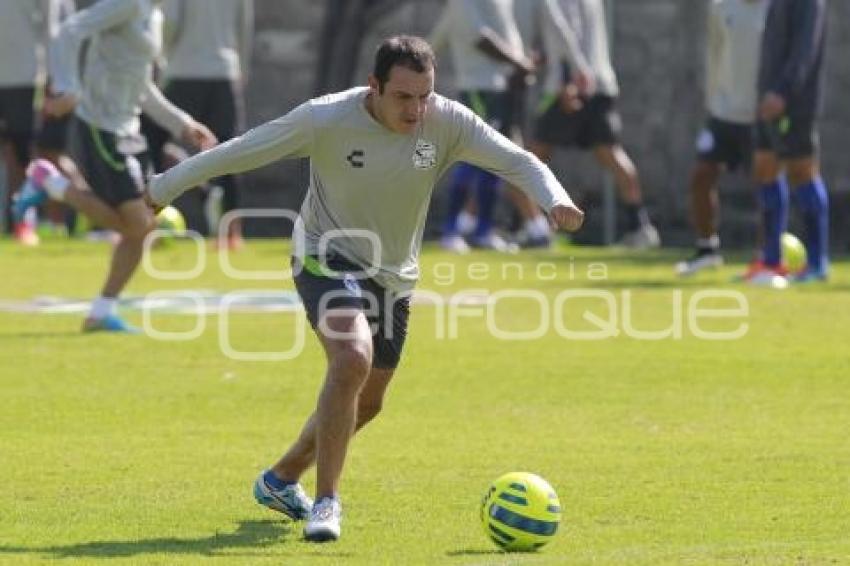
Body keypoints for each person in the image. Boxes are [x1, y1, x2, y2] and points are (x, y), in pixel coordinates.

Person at [145, 35, 584, 542]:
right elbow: (242, 152)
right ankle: (327, 502)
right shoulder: (325, 119)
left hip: (394, 274)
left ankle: (281, 478)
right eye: (403, 97)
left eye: (424, 96)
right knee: (351, 358)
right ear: (373, 87)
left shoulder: (448, 121)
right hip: (323, 254)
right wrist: (163, 188)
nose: (416, 109)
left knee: (369, 401)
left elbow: (520, 161)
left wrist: (555, 198)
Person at [13, 0, 216, 332]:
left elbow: (143, 87)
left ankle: (100, 312)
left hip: (130, 132)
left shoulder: (155, 14)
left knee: (141, 226)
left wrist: (182, 123)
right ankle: (50, 184)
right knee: (139, 225)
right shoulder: (127, 4)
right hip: (100, 128)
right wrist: (69, 88)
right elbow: (69, 30)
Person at [529, 0, 660, 248]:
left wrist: (570, 79)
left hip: (572, 83)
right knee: (610, 153)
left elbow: (567, 31)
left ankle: (531, 227)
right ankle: (640, 226)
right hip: (600, 82)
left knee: (532, 158)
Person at [144, 0, 253, 248]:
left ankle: (144, 220)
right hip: (224, 72)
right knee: (231, 152)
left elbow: (169, 22)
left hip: (183, 70)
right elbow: (244, 28)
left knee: (151, 142)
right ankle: (232, 233)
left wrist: (162, 57)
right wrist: (240, 70)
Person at [429, 0, 536, 253]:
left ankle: (483, 231)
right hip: (479, 89)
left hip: (499, 90)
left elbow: (436, 40)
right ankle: (451, 230)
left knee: (492, 160)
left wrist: (520, 65)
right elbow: (480, 38)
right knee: (472, 156)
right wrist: (520, 63)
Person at [675, 0, 769, 277]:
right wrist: (713, 99)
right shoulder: (721, 6)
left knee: (765, 184)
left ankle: (765, 256)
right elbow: (714, 54)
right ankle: (707, 250)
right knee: (701, 176)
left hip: (761, 113)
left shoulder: (776, 8)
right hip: (724, 113)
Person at [746, 0, 829, 285]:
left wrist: (783, 92)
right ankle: (771, 260)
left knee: (802, 171)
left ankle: (818, 263)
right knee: (764, 167)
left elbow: (805, 50)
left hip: (795, 103)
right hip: (767, 98)